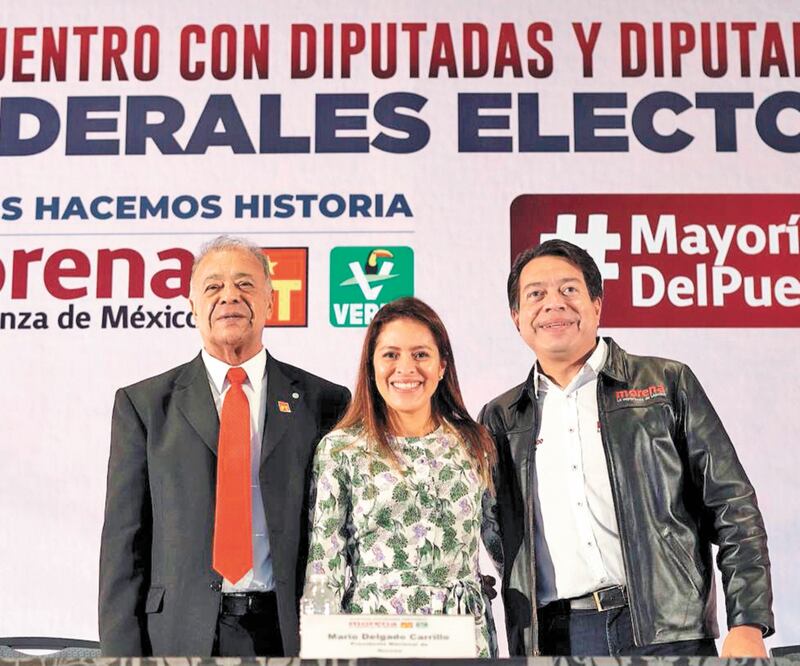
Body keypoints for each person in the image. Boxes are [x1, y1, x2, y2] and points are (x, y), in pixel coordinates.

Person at [479, 239, 774, 657]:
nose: (553, 305)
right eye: (536, 295)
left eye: (569, 290)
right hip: (555, 638)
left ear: (596, 304)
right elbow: (495, 536)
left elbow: (733, 506)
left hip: (668, 632)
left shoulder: (667, 385)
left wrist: (747, 621)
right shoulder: (501, 418)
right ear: (517, 317)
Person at [99, 236, 350, 656]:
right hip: (180, 633)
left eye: (246, 285)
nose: (230, 295)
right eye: (213, 287)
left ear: (271, 302)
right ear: (192, 306)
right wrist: (120, 657)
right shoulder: (144, 405)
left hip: (289, 630)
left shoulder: (324, 402)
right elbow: (125, 546)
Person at [302, 297, 498, 657]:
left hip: (462, 635)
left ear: (442, 366)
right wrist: (319, 650)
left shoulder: (474, 444)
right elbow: (324, 565)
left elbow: (502, 546)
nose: (406, 368)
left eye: (420, 354)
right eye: (391, 354)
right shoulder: (341, 450)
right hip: (371, 636)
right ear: (371, 366)